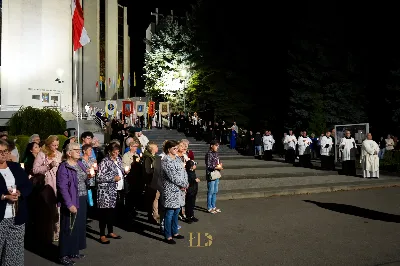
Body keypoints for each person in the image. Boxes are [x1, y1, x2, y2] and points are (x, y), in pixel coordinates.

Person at [57, 142, 92, 265]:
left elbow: (84, 179)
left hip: (82, 198)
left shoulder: (80, 164)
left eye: (79, 149)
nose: (79, 151)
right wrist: (69, 204)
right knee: (68, 227)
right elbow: (62, 187)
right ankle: (64, 254)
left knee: (78, 226)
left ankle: (73, 250)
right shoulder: (64, 167)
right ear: (68, 153)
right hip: (71, 200)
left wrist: (89, 175)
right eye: (75, 149)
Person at [0, 139, 32, 266]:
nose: (3, 154)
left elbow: (27, 185)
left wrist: (20, 192)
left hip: (17, 216)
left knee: (15, 253)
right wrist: (4, 196)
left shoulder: (15, 167)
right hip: (1, 217)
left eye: (5, 151)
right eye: (0, 151)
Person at [96, 142, 125, 244]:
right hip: (105, 191)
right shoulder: (104, 161)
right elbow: (99, 177)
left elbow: (120, 171)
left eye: (118, 151)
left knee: (112, 212)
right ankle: (102, 235)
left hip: (114, 189)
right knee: (104, 213)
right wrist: (113, 178)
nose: (117, 153)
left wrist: (125, 172)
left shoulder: (118, 160)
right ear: (109, 151)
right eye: (114, 151)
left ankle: (111, 231)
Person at [161, 140, 188, 244]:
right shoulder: (166, 161)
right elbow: (173, 177)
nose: (177, 150)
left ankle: (175, 232)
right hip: (171, 189)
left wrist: (185, 182)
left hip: (180, 189)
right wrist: (183, 184)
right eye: (174, 148)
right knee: (170, 212)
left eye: (177, 148)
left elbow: (183, 171)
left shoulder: (177, 158)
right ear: (169, 149)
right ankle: (168, 235)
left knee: (177, 211)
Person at [205, 140, 223, 214]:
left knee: (215, 191)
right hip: (211, 174)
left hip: (217, 173)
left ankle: (213, 206)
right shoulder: (209, 154)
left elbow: (217, 162)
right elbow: (209, 166)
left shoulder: (216, 153)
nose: (217, 147)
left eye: (218, 145)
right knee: (211, 191)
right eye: (216, 145)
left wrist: (220, 165)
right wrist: (216, 167)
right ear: (211, 145)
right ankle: (209, 207)